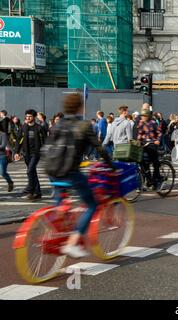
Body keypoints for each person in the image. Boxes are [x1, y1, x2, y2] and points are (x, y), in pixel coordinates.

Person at [49, 93, 114, 258]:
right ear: (80, 107)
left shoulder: (58, 124)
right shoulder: (84, 125)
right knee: (92, 204)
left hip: (53, 171)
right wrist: (111, 165)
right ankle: (72, 242)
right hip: (70, 172)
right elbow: (99, 148)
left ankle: (57, 226)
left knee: (60, 206)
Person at [15, 109, 47, 200]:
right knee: (32, 171)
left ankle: (30, 189)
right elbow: (19, 141)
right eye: (27, 116)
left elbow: (45, 140)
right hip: (26, 153)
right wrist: (16, 152)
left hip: (36, 153)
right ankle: (37, 193)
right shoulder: (23, 128)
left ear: (34, 117)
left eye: (30, 116)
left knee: (29, 171)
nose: (28, 118)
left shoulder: (39, 128)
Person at [136, 109, 163, 189]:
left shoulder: (153, 123)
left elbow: (159, 132)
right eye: (142, 116)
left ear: (148, 116)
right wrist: (137, 141)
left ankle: (156, 181)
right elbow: (140, 134)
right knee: (143, 162)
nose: (143, 117)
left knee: (155, 163)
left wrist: (157, 140)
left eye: (144, 116)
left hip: (152, 144)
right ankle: (149, 179)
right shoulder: (141, 123)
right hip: (144, 145)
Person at [0, 124, 14, 192]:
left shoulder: (3, 134)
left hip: (2, 156)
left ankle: (10, 182)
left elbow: (3, 145)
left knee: (3, 172)